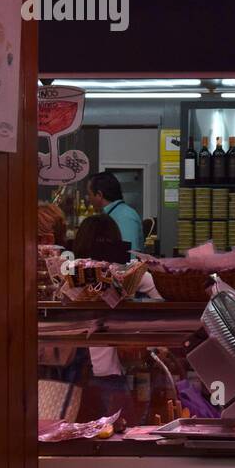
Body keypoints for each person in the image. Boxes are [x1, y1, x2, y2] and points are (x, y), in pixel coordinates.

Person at [72, 214, 162, 414]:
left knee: (78, 431)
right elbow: (161, 297)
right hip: (110, 369)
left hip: (73, 371)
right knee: (119, 429)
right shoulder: (125, 272)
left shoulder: (71, 271)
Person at [85, 171, 143, 254]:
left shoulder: (125, 216)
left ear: (99, 195)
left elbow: (129, 256)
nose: (88, 198)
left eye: (89, 194)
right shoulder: (109, 214)